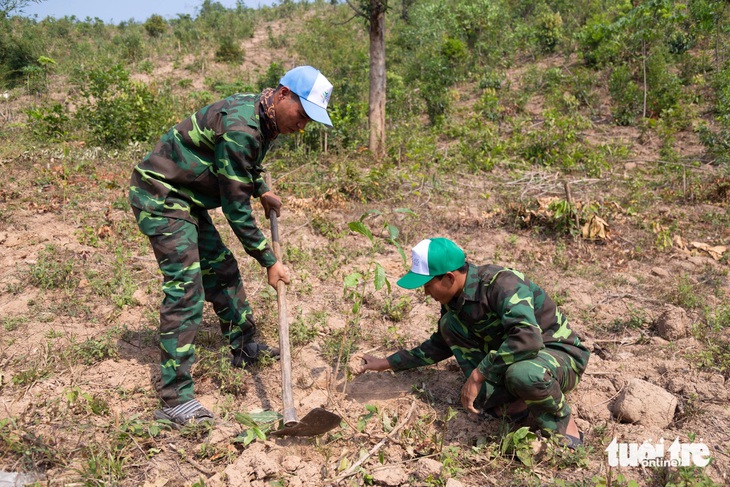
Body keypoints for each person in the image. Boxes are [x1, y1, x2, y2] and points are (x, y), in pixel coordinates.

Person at [129, 66, 334, 427]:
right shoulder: (244, 126)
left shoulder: (264, 115)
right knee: (186, 288)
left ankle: (244, 346)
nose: (302, 126)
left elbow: (241, 165)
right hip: (162, 195)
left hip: (187, 196)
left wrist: (262, 188)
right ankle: (175, 400)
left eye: (309, 122)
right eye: (302, 115)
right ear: (284, 94)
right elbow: (236, 209)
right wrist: (269, 261)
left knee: (220, 269)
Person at [351, 237, 590, 448]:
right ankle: (518, 404)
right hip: (518, 354)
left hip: (558, 356)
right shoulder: (454, 299)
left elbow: (528, 339)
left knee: (523, 374)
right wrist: (384, 363)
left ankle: (565, 429)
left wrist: (479, 374)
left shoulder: (502, 284)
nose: (425, 293)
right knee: (451, 330)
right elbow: (439, 344)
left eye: (427, 285)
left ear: (449, 277)